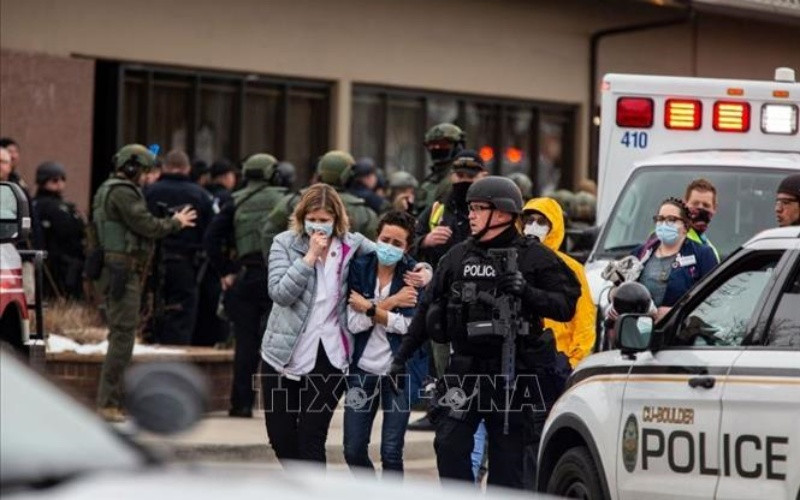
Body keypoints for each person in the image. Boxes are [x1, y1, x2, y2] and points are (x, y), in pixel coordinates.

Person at [389, 176, 581, 489]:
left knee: (508, 466)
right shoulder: (458, 256)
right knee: (449, 446)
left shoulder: (534, 257)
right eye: (470, 208)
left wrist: (527, 291)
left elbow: (565, 306)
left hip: (514, 374)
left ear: (503, 214)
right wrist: (402, 357)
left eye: (479, 208)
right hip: (466, 371)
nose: (471, 216)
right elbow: (427, 308)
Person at [259, 184, 431, 465]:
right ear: (302, 217)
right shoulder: (285, 243)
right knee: (281, 438)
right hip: (283, 353)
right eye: (312, 218)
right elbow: (280, 293)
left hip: (330, 356)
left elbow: (392, 253)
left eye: (325, 220)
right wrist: (310, 257)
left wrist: (425, 271)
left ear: (337, 220)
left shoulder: (352, 245)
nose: (318, 225)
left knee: (311, 438)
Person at [91, 144, 196, 421]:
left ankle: (112, 400)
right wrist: (175, 223)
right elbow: (146, 224)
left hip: (117, 271)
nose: (149, 178)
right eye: (146, 171)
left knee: (121, 336)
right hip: (122, 272)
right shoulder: (122, 192)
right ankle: (108, 402)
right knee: (123, 338)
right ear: (132, 168)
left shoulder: (107, 189)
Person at [204, 153, 292, 417]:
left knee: (245, 344)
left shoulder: (234, 201)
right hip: (280, 276)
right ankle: (278, 406)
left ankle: (241, 405)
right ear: (273, 174)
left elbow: (211, 239)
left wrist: (226, 271)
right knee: (280, 342)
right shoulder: (285, 200)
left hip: (246, 276)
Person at [343, 210, 428, 476]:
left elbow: (410, 327)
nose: (389, 247)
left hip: (399, 372)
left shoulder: (414, 275)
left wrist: (369, 309)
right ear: (376, 237)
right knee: (353, 449)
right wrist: (390, 304)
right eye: (385, 239)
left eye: (397, 243)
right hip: (362, 370)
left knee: (391, 452)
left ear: (407, 248)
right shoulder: (360, 267)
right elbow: (353, 324)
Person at [411, 150, 487, 379]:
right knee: (441, 363)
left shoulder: (492, 210)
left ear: (483, 176)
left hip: (481, 299)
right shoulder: (438, 208)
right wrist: (425, 240)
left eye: (470, 176)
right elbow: (406, 243)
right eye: (459, 175)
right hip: (442, 297)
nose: (463, 180)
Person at [144, 150, 214, 345]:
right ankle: (175, 362)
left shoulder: (149, 192)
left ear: (164, 168)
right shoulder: (200, 195)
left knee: (150, 311)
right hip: (186, 262)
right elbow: (210, 232)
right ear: (187, 169)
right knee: (181, 314)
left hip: (151, 262)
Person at [522, 198, 596, 368]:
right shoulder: (513, 261)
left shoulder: (571, 268)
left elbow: (584, 320)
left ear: (553, 226)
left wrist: (574, 362)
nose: (533, 227)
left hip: (559, 358)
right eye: (529, 221)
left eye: (541, 222)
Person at [260, 150, 379, 256]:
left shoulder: (291, 202)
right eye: (312, 219)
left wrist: (278, 264)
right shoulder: (364, 212)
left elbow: (269, 233)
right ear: (348, 175)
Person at [632, 197, 717, 320]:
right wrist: (613, 295)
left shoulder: (702, 254)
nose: (664, 224)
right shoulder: (641, 252)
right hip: (638, 331)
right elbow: (618, 289)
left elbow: (714, 300)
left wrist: (676, 313)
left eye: (671, 220)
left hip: (679, 332)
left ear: (686, 226)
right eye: (660, 219)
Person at [32, 161, 86, 299]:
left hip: (67, 261)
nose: (60, 183)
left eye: (62, 179)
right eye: (55, 180)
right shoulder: (42, 205)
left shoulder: (64, 205)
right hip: (53, 260)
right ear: (43, 181)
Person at [415, 123, 466, 214]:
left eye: (443, 144)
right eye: (432, 145)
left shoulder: (463, 178)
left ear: (458, 146)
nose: (437, 148)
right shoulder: (430, 181)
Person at [683, 178, 720, 262]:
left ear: (714, 208)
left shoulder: (707, 245)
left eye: (706, 205)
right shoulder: (674, 238)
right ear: (685, 204)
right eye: (695, 204)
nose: (700, 208)